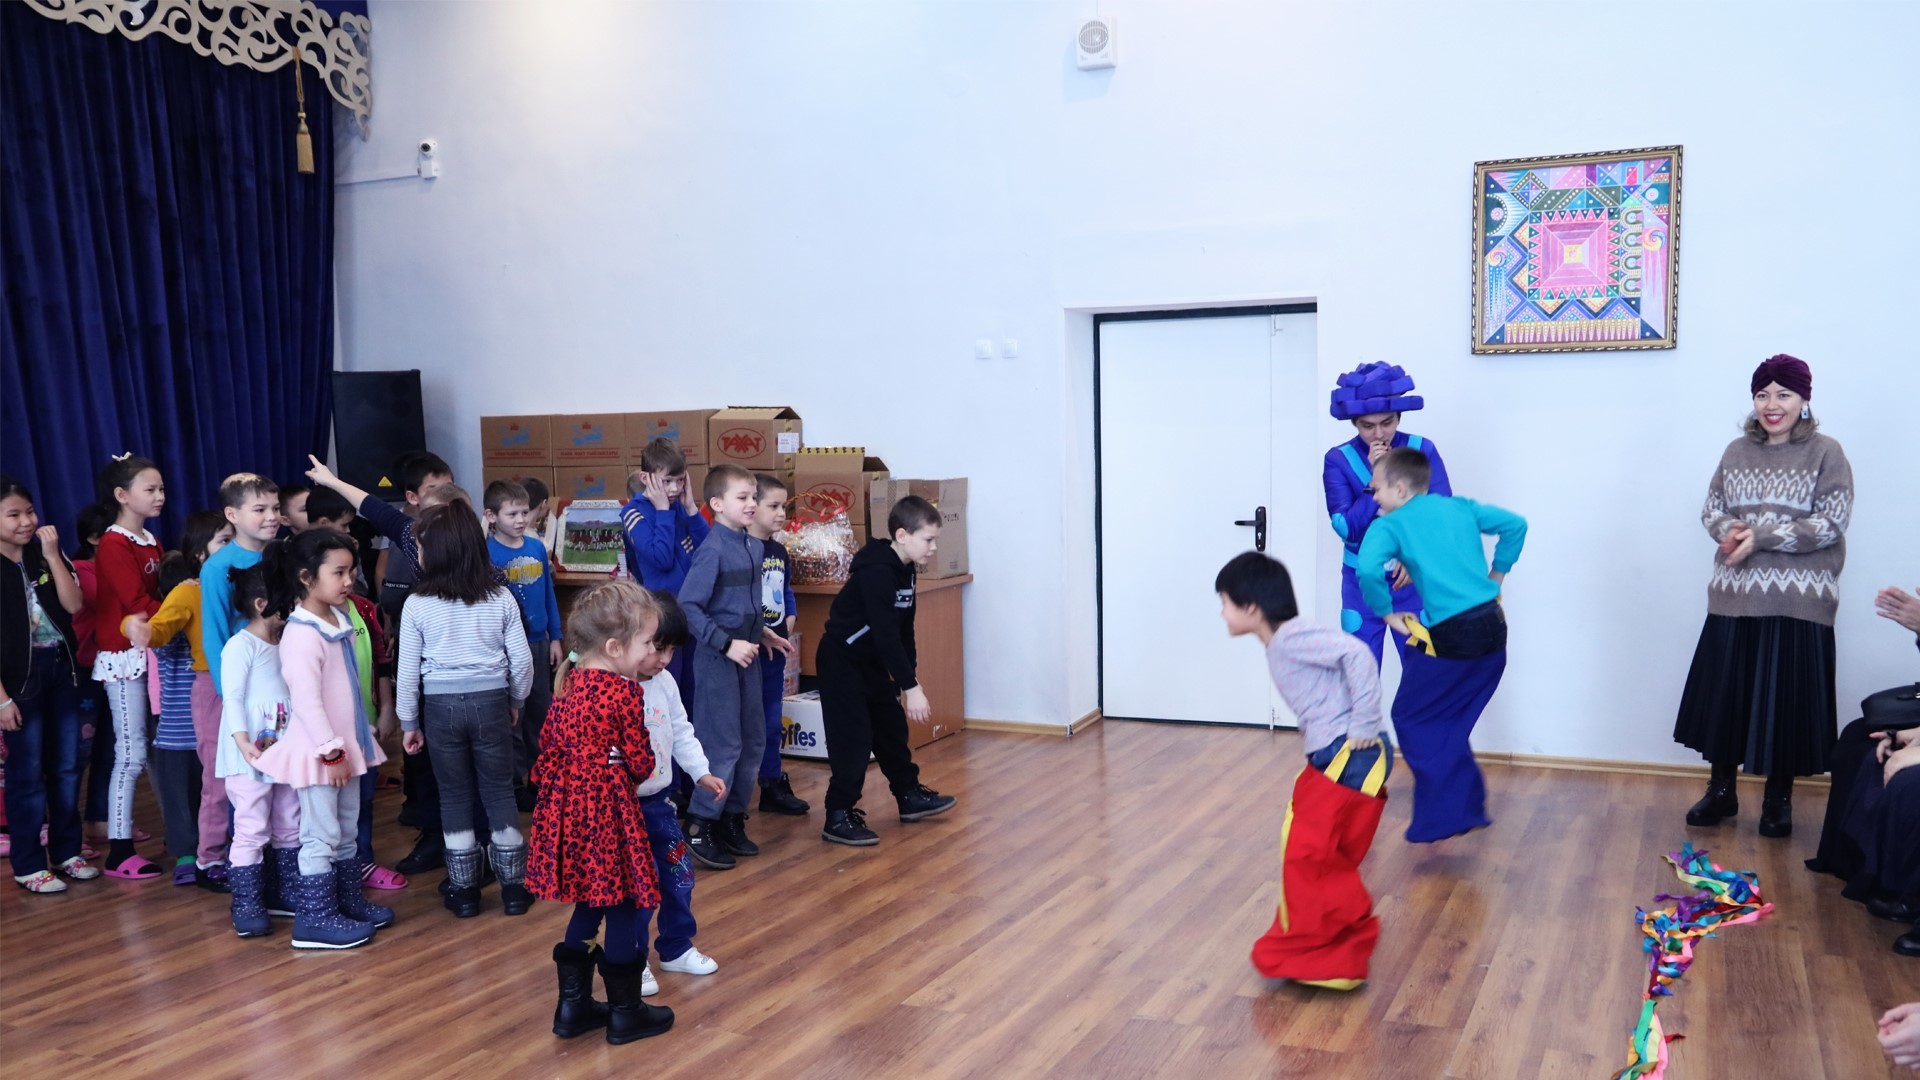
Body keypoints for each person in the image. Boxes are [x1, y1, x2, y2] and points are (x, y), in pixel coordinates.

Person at [1674, 355, 1853, 839]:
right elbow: (1712, 508)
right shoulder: (1736, 451)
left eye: (1784, 394)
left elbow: (1831, 523)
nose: (1772, 405)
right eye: (1762, 394)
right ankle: (1721, 790)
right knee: (1727, 700)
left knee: (1785, 705)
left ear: (1804, 399)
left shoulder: (1826, 452)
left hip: (1799, 601)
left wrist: (1762, 537)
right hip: (1735, 596)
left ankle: (1778, 799)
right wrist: (1732, 531)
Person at [1217, 551, 1393, 990]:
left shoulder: (1290, 637)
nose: (1221, 613)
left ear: (1251, 607)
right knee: (1317, 853)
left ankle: (1329, 957)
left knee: (1311, 855)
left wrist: (1364, 723)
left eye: (1225, 602)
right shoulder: (1282, 644)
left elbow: (1357, 652)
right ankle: (1325, 950)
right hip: (1337, 753)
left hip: (1350, 753)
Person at [305, 452, 477, 876]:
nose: (421, 531)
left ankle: (478, 849)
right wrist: (332, 481)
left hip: (473, 687)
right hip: (425, 681)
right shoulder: (414, 541)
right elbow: (374, 508)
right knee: (423, 762)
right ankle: (435, 837)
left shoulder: (480, 567)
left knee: (471, 770)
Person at [530, 580, 676, 1044]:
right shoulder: (623, 693)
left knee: (590, 902)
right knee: (625, 903)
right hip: (609, 817)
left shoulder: (569, 686)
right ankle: (625, 1013)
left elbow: (546, 750)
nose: (651, 651)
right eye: (647, 643)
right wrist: (614, 762)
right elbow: (641, 764)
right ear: (614, 647)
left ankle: (572, 1007)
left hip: (570, 815)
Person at [1355, 447, 1526, 844]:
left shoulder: (1389, 526)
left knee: (1412, 717)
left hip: (1455, 636)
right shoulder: (1459, 507)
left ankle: (1452, 813)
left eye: (1376, 489)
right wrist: (1496, 577)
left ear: (1400, 488)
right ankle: (1460, 808)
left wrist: (1385, 613)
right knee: (1445, 718)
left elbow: (1366, 569)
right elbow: (1516, 525)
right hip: (1493, 629)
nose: (1373, 497)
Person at [254, 530, 392, 949]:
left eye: (351, 571)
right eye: (339, 572)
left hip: (344, 746)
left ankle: (346, 902)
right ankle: (314, 919)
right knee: (320, 833)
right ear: (306, 577)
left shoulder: (338, 619)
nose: (349, 581)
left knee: (346, 829)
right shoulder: (301, 633)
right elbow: (308, 702)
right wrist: (331, 752)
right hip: (322, 753)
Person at [396, 502, 534, 919]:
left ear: (435, 552)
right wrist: (515, 701)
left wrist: (408, 722)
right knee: (499, 791)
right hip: (492, 701)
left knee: (453, 795)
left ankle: (464, 892)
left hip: (440, 708)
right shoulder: (500, 597)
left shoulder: (417, 604)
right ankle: (513, 889)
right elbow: (522, 663)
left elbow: (407, 674)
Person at [816, 495, 957, 847]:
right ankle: (838, 814)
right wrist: (909, 686)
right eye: (928, 539)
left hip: (872, 662)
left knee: (891, 729)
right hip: (841, 662)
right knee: (854, 738)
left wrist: (911, 678)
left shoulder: (906, 568)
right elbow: (884, 632)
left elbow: (903, 630)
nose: (934, 548)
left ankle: (909, 795)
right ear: (902, 535)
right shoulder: (877, 572)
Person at [1321, 362, 1452, 666]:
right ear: (1354, 423)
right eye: (1368, 426)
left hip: (1413, 581)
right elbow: (1347, 529)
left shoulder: (1422, 449)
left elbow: (1442, 514)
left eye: (1387, 422)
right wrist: (1375, 479)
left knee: (1424, 671)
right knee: (1359, 673)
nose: (1378, 433)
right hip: (1361, 585)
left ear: (1398, 417)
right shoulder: (1338, 460)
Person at [0, 478, 95, 893]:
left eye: (29, 512)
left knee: (67, 766)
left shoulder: (42, 554)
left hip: (61, 668)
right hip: (19, 681)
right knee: (27, 773)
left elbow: (74, 605)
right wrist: (1, 701)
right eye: (14, 515)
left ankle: (67, 851)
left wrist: (54, 555)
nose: (26, 522)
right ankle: (28, 864)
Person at [634, 591, 725, 990]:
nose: (665, 659)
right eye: (658, 648)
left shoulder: (665, 683)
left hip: (660, 804)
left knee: (679, 875)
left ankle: (676, 948)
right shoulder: (612, 688)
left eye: (672, 650)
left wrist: (701, 772)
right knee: (638, 886)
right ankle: (632, 958)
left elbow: (682, 731)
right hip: (623, 809)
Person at [677, 465, 766, 868]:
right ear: (716, 504)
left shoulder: (754, 546)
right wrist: (726, 643)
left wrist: (763, 633)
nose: (751, 504)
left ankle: (731, 817)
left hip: (747, 655)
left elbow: (741, 606)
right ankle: (700, 822)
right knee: (722, 745)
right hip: (718, 659)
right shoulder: (712, 549)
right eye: (742, 497)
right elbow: (688, 606)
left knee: (752, 740)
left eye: (753, 497)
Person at [142, 510, 232, 889]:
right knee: (207, 782)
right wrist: (141, 629)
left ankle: (243, 851)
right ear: (200, 554)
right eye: (224, 540)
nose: (233, 547)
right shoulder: (188, 592)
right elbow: (158, 633)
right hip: (201, 702)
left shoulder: (242, 585)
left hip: (245, 690)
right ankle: (200, 856)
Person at [89, 453, 168, 878]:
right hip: (123, 657)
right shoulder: (114, 544)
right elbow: (137, 602)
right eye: (150, 489)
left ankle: (179, 835)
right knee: (131, 751)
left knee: (156, 750)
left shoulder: (149, 540)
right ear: (122, 495)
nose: (159, 496)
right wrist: (180, 612)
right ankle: (119, 849)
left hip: (150, 651)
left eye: (161, 488)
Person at [217, 562, 302, 937]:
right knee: (251, 825)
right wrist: (241, 741)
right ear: (261, 604)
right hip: (249, 753)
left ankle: (284, 892)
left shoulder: (287, 642)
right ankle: (246, 902)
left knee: (290, 819)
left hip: (284, 750)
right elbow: (233, 698)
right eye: (287, 600)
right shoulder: (241, 645)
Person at [484, 479, 564, 812]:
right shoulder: (486, 553)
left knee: (540, 713)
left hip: (539, 643)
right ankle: (516, 782)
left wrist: (555, 636)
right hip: (505, 649)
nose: (521, 520)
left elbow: (548, 595)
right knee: (512, 717)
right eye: (512, 514)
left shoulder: (535, 548)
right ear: (491, 516)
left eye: (524, 513)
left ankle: (541, 777)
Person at [748, 473, 807, 816]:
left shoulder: (779, 551)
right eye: (773, 506)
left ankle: (771, 783)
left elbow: (785, 591)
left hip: (775, 650)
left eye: (784, 507)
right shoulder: (742, 549)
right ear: (751, 507)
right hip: (749, 650)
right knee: (747, 723)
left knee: (772, 721)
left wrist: (790, 618)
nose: (781, 513)